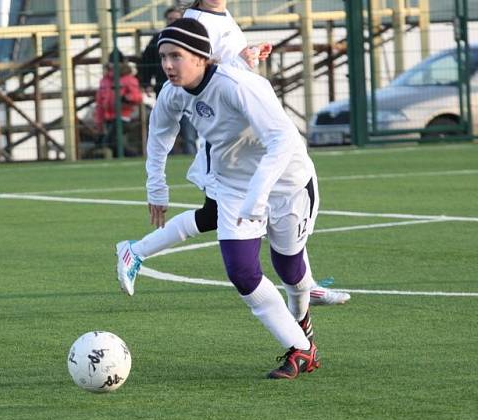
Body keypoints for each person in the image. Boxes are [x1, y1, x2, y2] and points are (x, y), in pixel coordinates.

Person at [116, 0, 350, 306]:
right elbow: (207, 74)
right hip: (227, 148)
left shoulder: (219, 14)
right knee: (238, 210)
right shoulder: (199, 19)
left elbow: (222, 67)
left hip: (245, 138)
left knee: (279, 203)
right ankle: (137, 250)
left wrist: (245, 57)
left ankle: (304, 283)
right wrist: (156, 185)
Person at [131, 18, 321, 379]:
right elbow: (159, 135)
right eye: (164, 57)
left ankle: (302, 323)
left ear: (202, 57)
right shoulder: (173, 93)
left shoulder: (239, 85)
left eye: (176, 56)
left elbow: (283, 140)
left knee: (291, 272)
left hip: (288, 185)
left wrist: (259, 195)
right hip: (234, 187)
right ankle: (301, 349)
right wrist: (156, 188)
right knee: (243, 272)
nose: (168, 65)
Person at [138, 6, 197, 154]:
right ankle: (165, 159)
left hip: (189, 90)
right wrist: (145, 83)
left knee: (188, 130)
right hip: (163, 89)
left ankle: (191, 156)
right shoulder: (158, 40)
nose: (172, 22)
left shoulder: (190, 39)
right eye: (169, 19)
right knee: (165, 130)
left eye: (175, 19)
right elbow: (146, 63)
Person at [94, 55, 144, 157]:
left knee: (110, 142)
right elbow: (99, 103)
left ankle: (135, 157)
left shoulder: (129, 79)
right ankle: (129, 159)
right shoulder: (104, 80)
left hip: (123, 117)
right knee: (114, 144)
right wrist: (99, 123)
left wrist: (127, 98)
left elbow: (138, 96)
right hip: (108, 117)